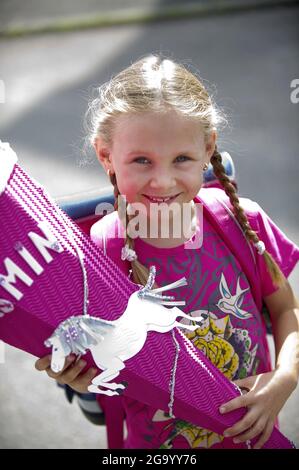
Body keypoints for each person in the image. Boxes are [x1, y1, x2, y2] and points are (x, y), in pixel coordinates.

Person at [35, 54, 299, 449]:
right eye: (141, 160)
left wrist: (285, 377)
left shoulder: (242, 224)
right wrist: (75, 373)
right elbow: (89, 359)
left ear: (208, 149)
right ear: (106, 155)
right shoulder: (94, 255)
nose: (162, 180)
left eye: (182, 159)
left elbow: (285, 310)